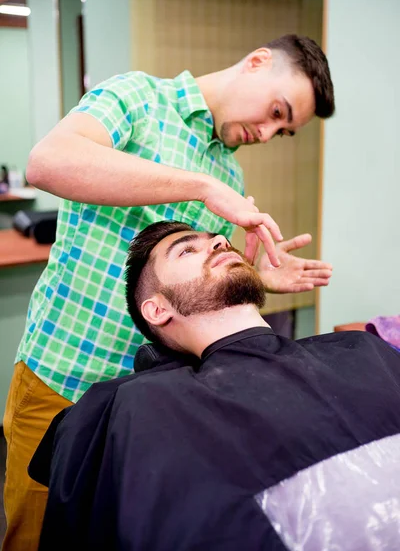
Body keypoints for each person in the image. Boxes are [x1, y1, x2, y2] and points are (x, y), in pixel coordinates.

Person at [2, 34, 335, 551]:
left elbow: (190, 286)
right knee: (39, 539)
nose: (268, 133)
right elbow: (48, 162)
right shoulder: (137, 99)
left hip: (149, 406)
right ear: (256, 61)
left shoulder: (228, 170)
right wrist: (200, 187)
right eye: (275, 111)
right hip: (62, 381)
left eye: (283, 130)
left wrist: (254, 275)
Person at [30, 220, 400, 551]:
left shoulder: (365, 349)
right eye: (188, 250)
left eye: (218, 240)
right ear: (158, 310)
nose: (223, 241)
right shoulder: (145, 407)